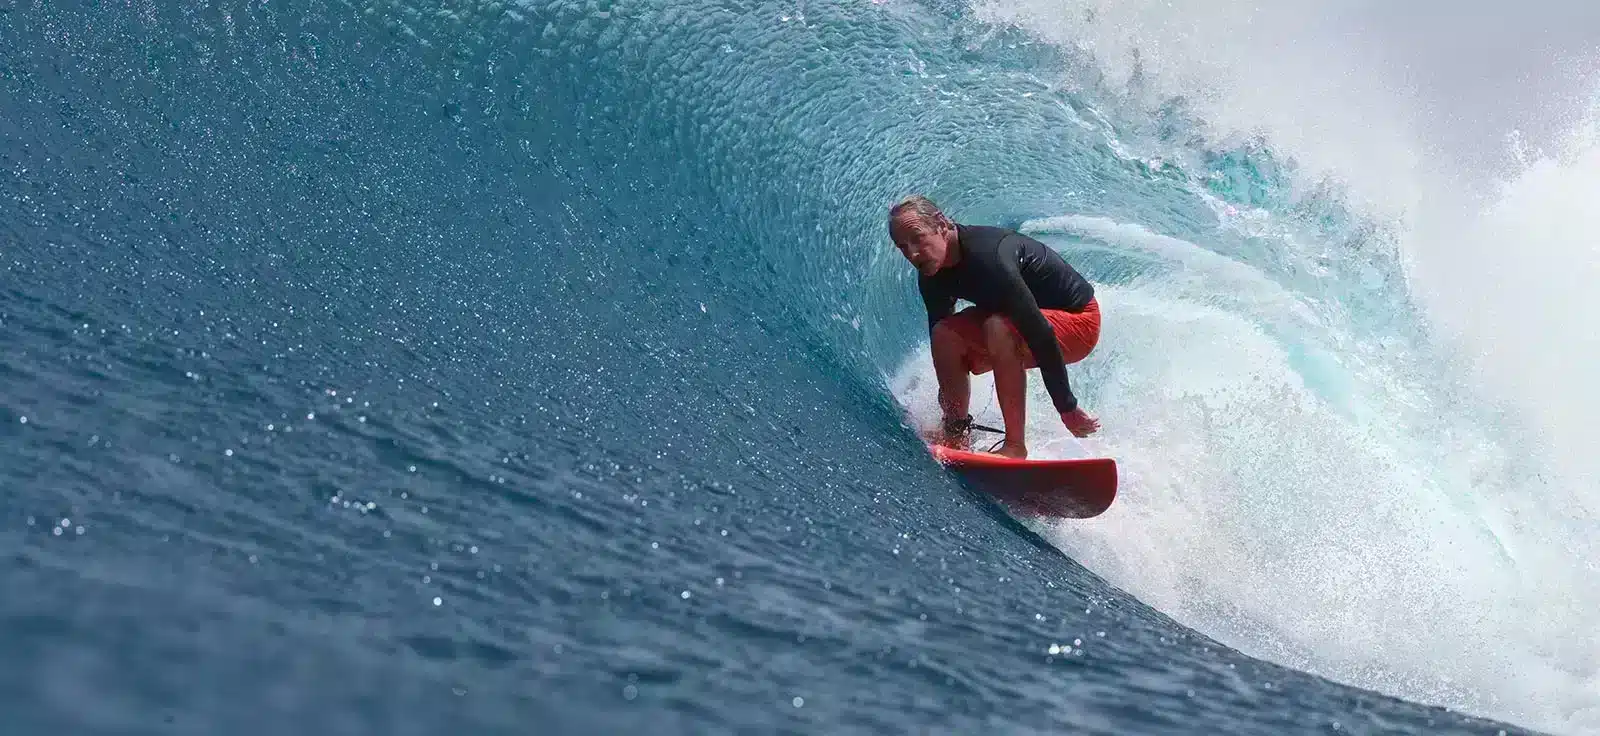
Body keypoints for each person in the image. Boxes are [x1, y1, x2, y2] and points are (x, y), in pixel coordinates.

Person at [888, 195, 1102, 459]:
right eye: (902, 247)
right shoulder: (931, 275)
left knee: (997, 327)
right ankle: (955, 434)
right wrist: (948, 405)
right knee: (944, 334)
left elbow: (1040, 334)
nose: (912, 253)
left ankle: (1015, 447)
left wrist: (1066, 407)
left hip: (1078, 321)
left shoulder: (990, 258)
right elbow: (943, 351)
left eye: (917, 238)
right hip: (1015, 321)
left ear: (941, 224)